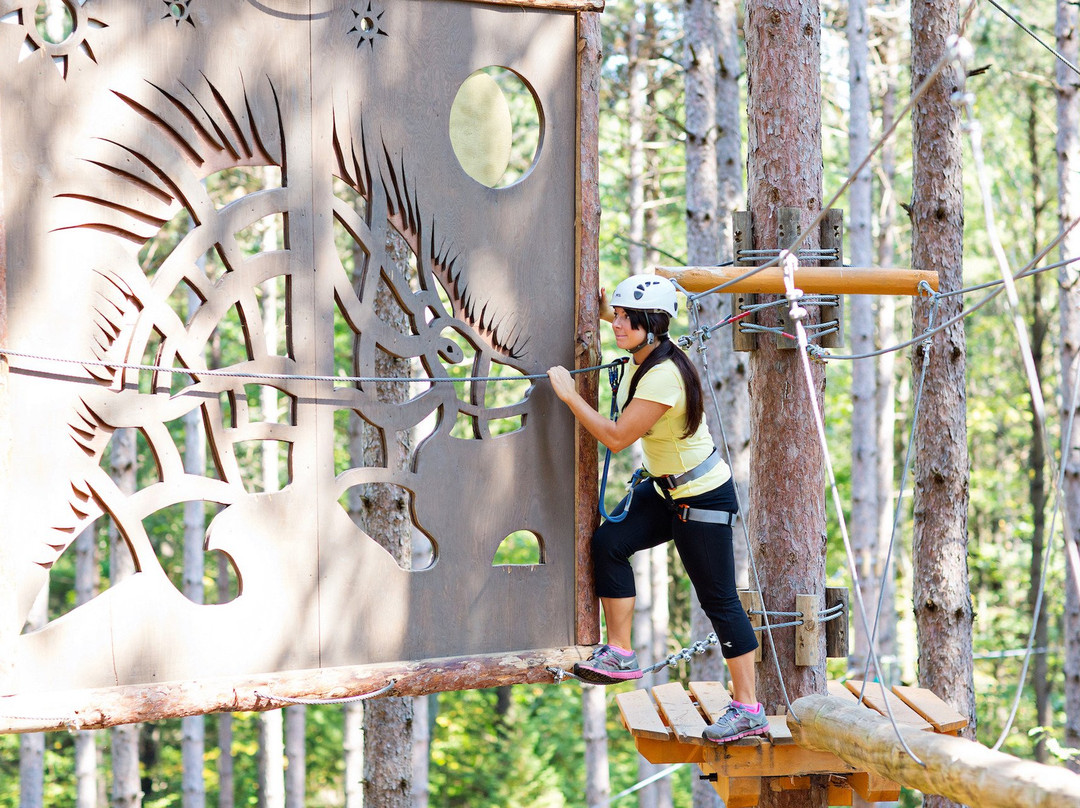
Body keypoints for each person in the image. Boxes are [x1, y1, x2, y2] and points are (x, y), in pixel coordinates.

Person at [546, 275, 767, 744]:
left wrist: (568, 395)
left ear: (652, 324)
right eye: (619, 317)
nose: (618, 325)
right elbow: (630, 322)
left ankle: (749, 708)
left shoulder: (664, 374)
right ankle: (620, 653)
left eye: (628, 319)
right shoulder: (648, 351)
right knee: (609, 542)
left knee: (720, 601)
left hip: (701, 498)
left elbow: (616, 437)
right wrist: (611, 307)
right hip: (667, 490)